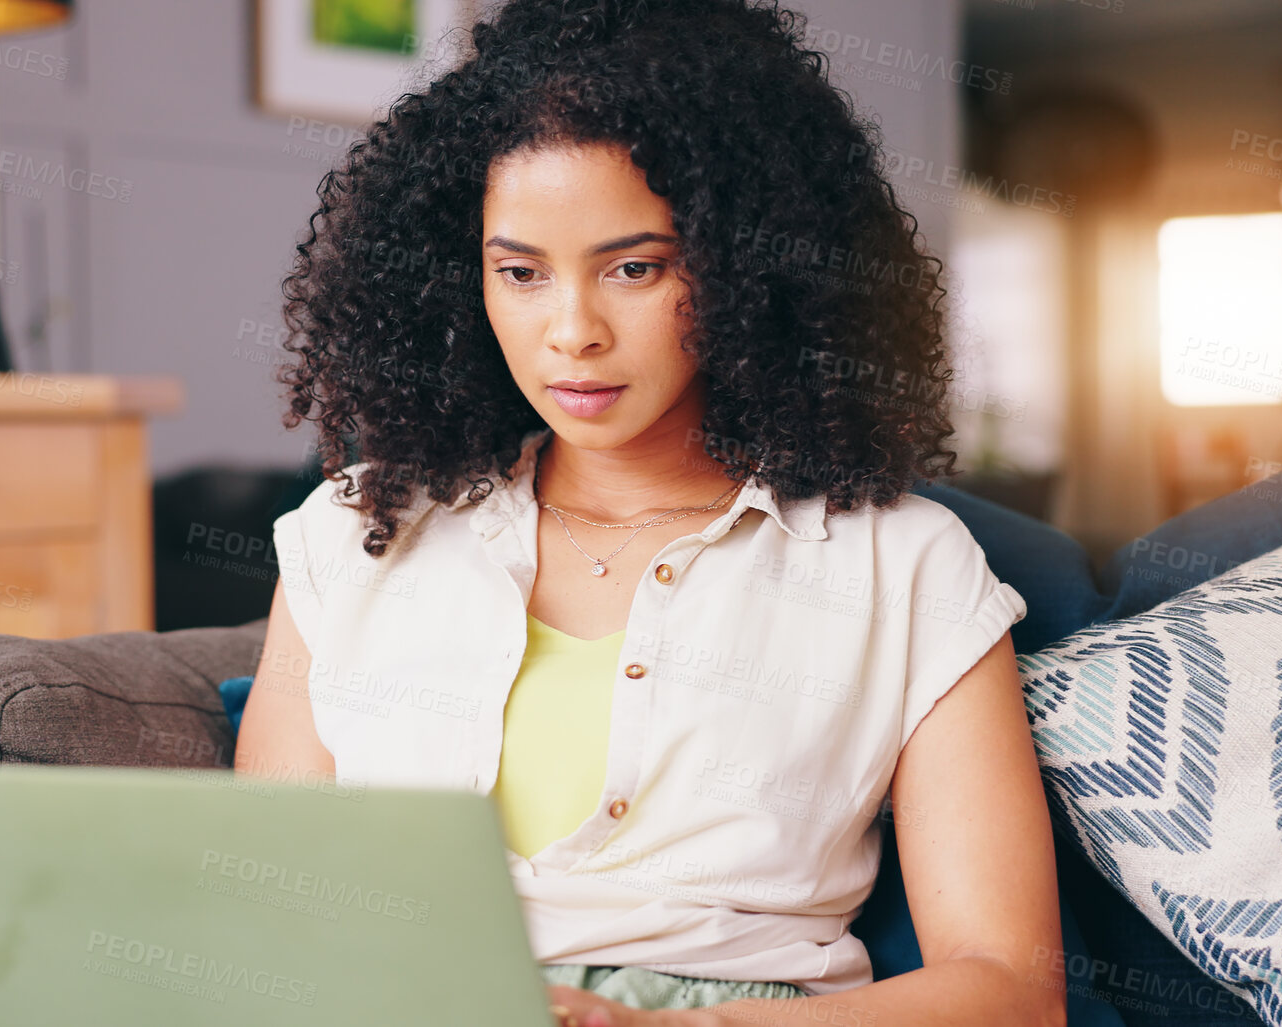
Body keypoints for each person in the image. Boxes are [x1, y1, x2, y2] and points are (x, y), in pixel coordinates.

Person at [235, 1, 1066, 1024]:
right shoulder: (353, 535)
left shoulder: (907, 565)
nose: (572, 331)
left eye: (635, 267)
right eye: (521, 272)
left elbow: (1012, 993)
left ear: (748, 268)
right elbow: (270, 929)